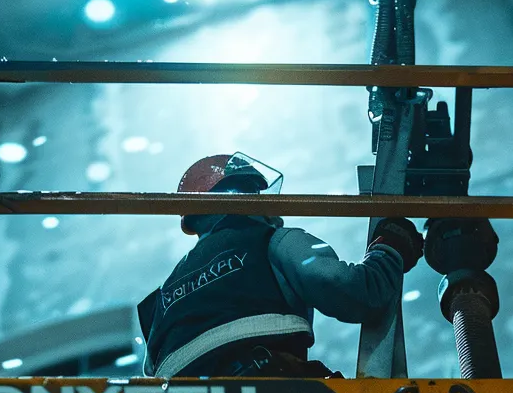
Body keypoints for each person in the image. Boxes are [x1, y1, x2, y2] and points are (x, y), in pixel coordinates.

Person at [137, 153, 423, 378]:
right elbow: (353, 291)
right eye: (258, 195)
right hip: (267, 390)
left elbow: (152, 372)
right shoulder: (272, 241)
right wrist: (390, 250)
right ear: (244, 196)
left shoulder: (161, 297)